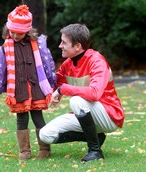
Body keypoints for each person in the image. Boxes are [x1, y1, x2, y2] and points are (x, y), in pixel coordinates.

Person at [39, 23, 124, 163]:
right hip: (88, 115)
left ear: (77, 46)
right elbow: (54, 85)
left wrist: (62, 89)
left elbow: (95, 93)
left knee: (76, 100)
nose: (60, 45)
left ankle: (95, 151)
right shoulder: (68, 64)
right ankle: (96, 137)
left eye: (64, 42)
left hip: (110, 116)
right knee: (46, 134)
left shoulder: (97, 60)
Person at [0, 5, 56, 160]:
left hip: (36, 88)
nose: (15, 35)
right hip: (19, 89)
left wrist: (52, 80)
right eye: (13, 32)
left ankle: (45, 148)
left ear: (27, 31)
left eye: (20, 33)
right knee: (21, 119)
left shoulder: (36, 45)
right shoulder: (5, 47)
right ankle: (24, 150)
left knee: (38, 118)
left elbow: (48, 63)